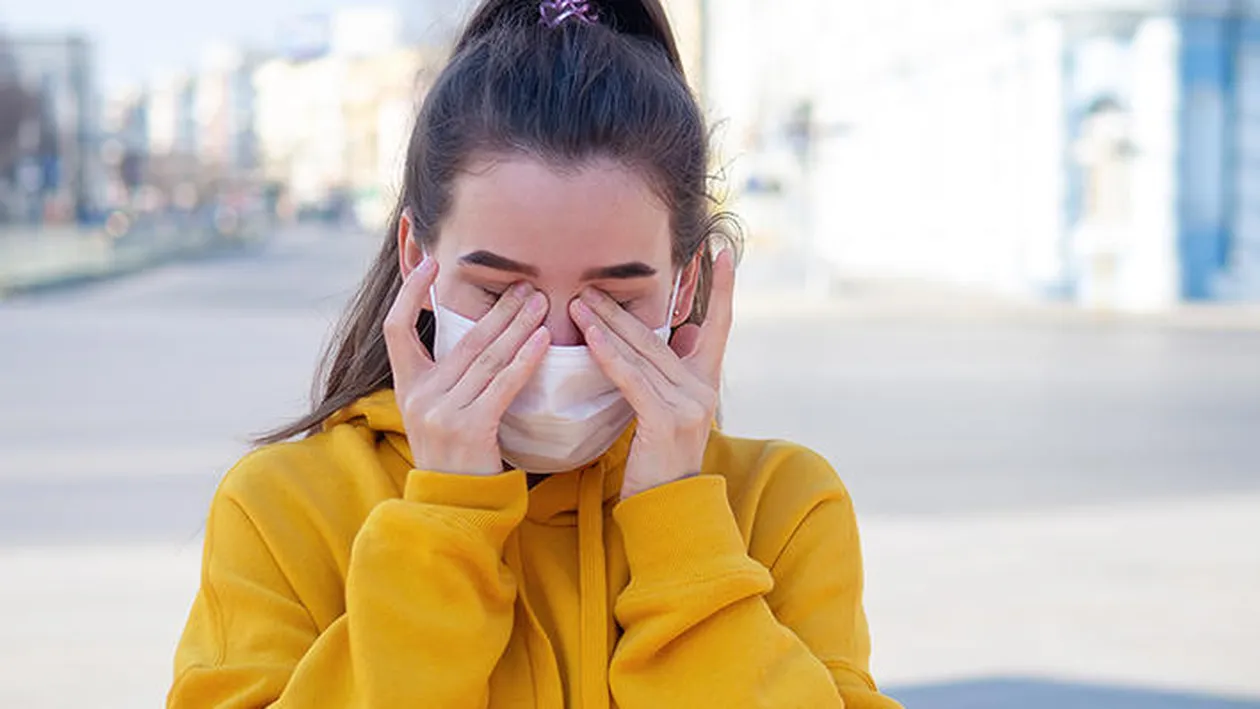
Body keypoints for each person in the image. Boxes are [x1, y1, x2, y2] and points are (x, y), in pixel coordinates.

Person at [167, 1, 902, 707]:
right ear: (418, 256)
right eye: (498, 294)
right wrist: (444, 526)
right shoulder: (285, 509)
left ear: (686, 286)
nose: (553, 346)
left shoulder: (781, 506)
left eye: (613, 300)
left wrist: (682, 530)